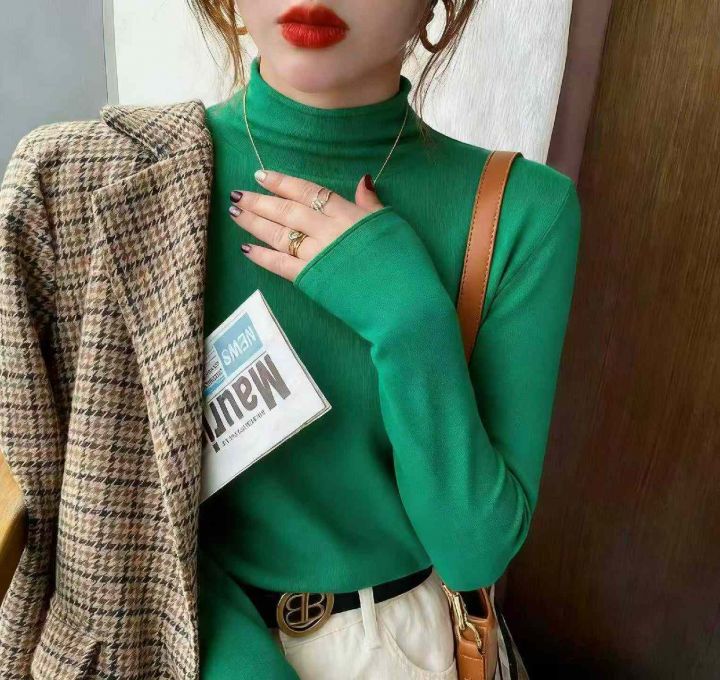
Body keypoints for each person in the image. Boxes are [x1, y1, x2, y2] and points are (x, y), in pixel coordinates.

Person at [0, 1, 580, 678]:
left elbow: (474, 552)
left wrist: (411, 319)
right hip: (165, 645)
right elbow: (57, 515)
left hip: (401, 653)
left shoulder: (521, 212)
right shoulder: (90, 186)